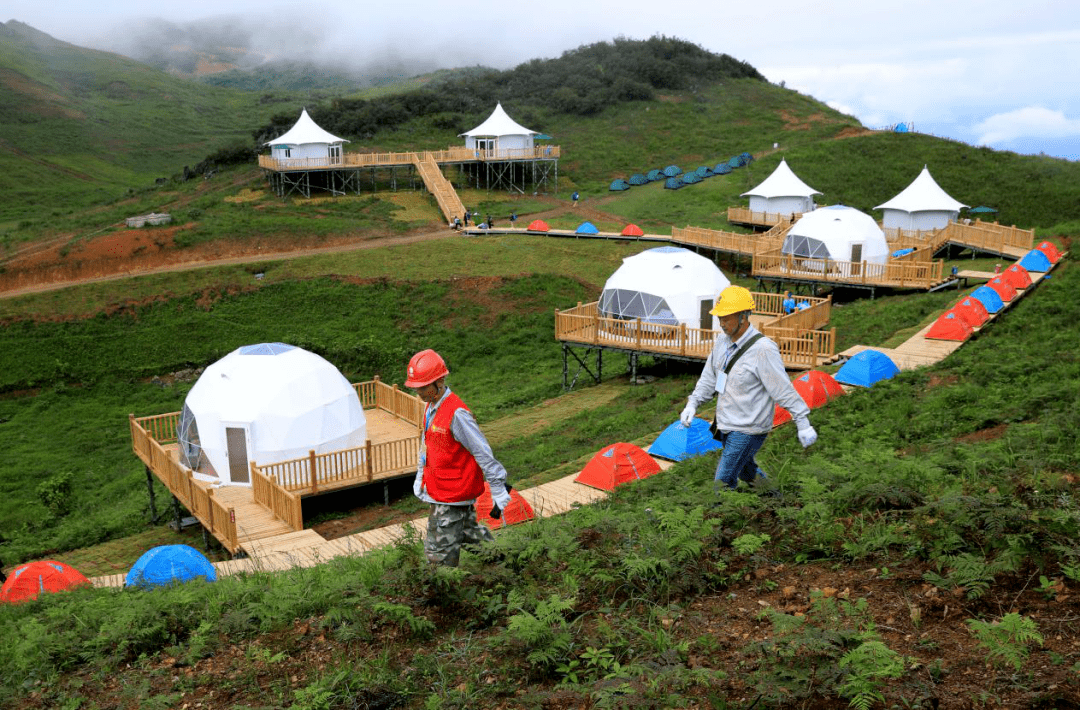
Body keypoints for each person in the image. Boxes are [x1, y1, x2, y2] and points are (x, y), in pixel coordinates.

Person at [680, 286, 817, 493]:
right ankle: (776, 501)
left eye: (727, 318)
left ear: (743, 317)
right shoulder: (721, 342)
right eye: (720, 318)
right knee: (746, 471)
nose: (722, 323)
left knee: (723, 482)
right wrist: (693, 402)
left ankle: (720, 521)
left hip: (749, 427)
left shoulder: (763, 350)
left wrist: (803, 422)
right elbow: (710, 376)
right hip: (725, 423)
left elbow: (783, 389)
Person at [407, 349, 512, 566]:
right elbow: (427, 444)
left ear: (440, 381)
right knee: (470, 535)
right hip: (439, 490)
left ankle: (442, 594)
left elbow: (482, 452)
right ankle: (507, 566)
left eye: (423, 387)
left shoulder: (457, 414)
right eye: (417, 388)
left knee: (438, 555)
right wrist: (420, 476)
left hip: (453, 494)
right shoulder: (430, 407)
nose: (419, 393)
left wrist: (498, 486)